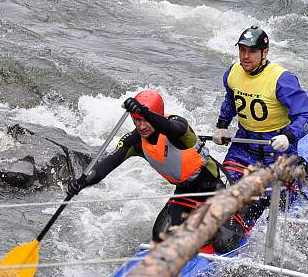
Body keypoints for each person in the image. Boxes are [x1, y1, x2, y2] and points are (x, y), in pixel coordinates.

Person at [67, 90, 245, 254]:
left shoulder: (178, 126)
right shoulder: (134, 142)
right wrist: (82, 182)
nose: (141, 126)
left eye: (145, 120)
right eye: (136, 120)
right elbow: (105, 166)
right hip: (185, 192)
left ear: (156, 115)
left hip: (216, 187)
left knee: (224, 244)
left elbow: (170, 128)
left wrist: (146, 113)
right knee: (160, 237)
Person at [212, 26, 308, 220]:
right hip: (243, 146)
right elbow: (230, 101)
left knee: (276, 203)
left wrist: (288, 136)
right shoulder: (232, 73)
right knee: (223, 192)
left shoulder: (282, 80)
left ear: (265, 52)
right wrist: (222, 126)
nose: (245, 56)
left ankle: (300, 169)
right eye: (242, 50)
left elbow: (307, 116)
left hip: (277, 147)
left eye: (252, 51)